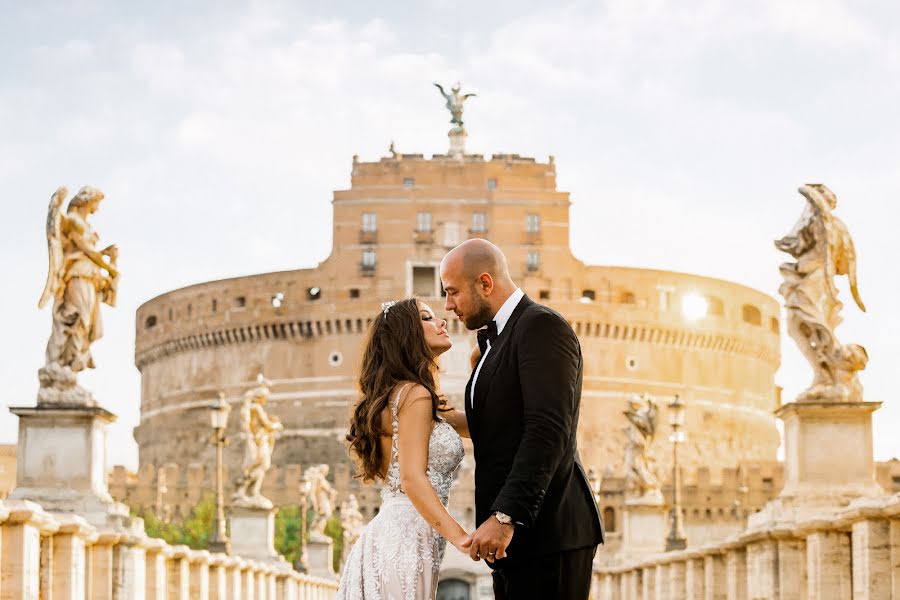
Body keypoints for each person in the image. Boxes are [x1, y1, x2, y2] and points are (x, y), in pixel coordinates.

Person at [440, 238, 604, 599]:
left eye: (453, 293)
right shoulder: (488, 347)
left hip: (549, 533)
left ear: (485, 283)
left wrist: (504, 517)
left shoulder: (541, 327)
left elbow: (548, 429)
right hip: (514, 542)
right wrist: (422, 410)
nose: (448, 306)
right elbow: (489, 426)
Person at [338, 298, 467, 599]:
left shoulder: (404, 396)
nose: (442, 322)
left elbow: (479, 425)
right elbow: (411, 479)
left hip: (389, 538)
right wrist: (461, 537)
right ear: (407, 334)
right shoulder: (416, 395)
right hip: (408, 541)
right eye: (427, 318)